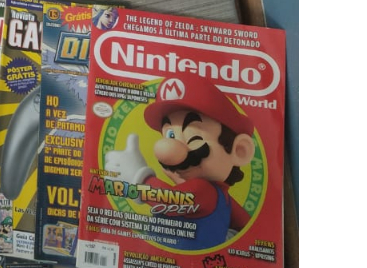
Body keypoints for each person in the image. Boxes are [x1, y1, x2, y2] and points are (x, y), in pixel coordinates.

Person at [102, 72, 256, 250]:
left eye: (194, 137)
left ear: (239, 151)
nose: (169, 150)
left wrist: (139, 177)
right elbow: (247, 226)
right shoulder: (223, 198)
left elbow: (171, 200)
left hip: (173, 261)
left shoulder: (205, 190)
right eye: (170, 135)